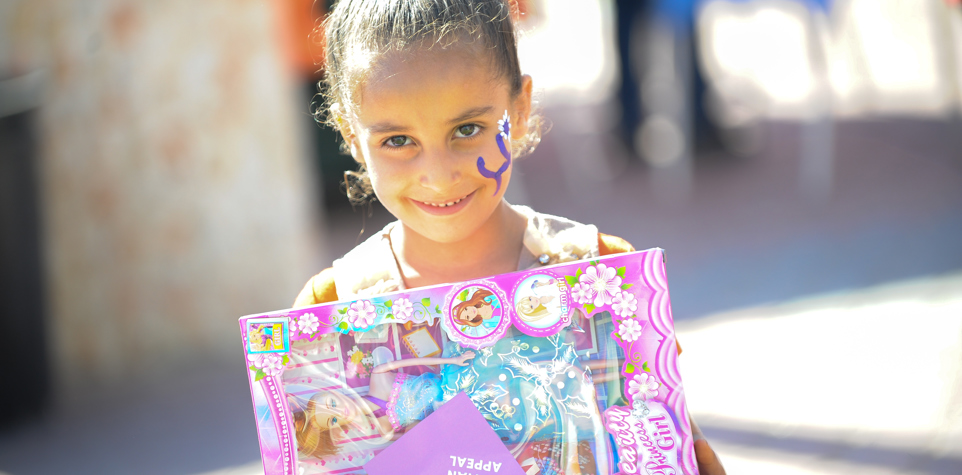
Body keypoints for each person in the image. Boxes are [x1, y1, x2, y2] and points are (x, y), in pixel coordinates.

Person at [293, 1, 725, 473]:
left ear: (519, 110)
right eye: (397, 141)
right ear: (350, 135)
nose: (438, 176)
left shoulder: (601, 276)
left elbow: (664, 440)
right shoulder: (329, 311)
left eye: (467, 129)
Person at [290, 351, 476, 458]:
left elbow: (416, 361)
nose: (340, 411)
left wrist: (452, 360)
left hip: (453, 381)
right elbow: (427, 441)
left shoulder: (378, 376)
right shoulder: (385, 431)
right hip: (458, 415)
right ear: (335, 427)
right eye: (333, 419)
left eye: (333, 403)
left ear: (334, 392)